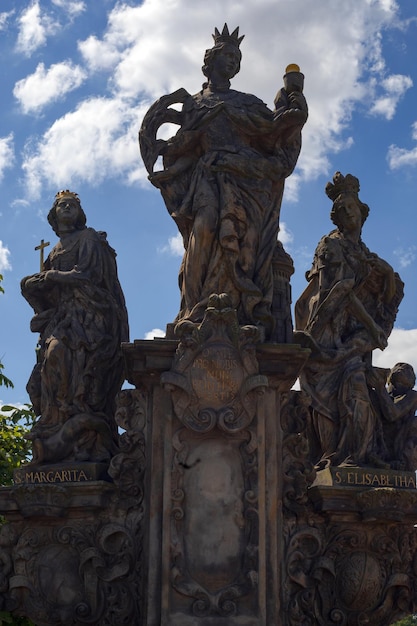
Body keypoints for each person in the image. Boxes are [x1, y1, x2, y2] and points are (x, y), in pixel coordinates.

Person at [140, 24, 307, 340]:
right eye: (228, 55)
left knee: (247, 242)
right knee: (203, 231)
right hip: (208, 177)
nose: (232, 62)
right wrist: (166, 158)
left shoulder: (246, 102)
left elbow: (274, 130)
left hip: (245, 182)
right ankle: (194, 309)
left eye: (237, 58)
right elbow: (185, 148)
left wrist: (292, 99)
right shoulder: (195, 104)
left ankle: (241, 310)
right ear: (211, 60)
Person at [295, 172, 403, 467]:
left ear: (362, 213)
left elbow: (389, 292)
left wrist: (388, 273)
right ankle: (334, 458)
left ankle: (356, 457)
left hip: (354, 337)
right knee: (328, 398)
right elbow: (340, 292)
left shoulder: (366, 254)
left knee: (356, 386)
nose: (346, 214)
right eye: (340, 210)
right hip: (328, 332)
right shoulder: (330, 246)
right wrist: (371, 327)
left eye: (350, 208)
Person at [21, 191, 129, 464]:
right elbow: (48, 291)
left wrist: (54, 276)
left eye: (72, 205)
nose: (67, 207)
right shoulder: (54, 249)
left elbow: (89, 275)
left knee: (59, 352)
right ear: (54, 214)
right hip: (63, 316)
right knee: (46, 367)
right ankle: (54, 419)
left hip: (89, 315)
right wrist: (35, 291)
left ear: (79, 213)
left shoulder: (88, 238)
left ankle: (77, 411)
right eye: (62, 205)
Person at [370, 363, 417, 471]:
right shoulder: (383, 393)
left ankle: (402, 463)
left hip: (400, 443)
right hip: (379, 440)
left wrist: (379, 387)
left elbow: (392, 414)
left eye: (408, 370)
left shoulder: (412, 395)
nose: (403, 369)